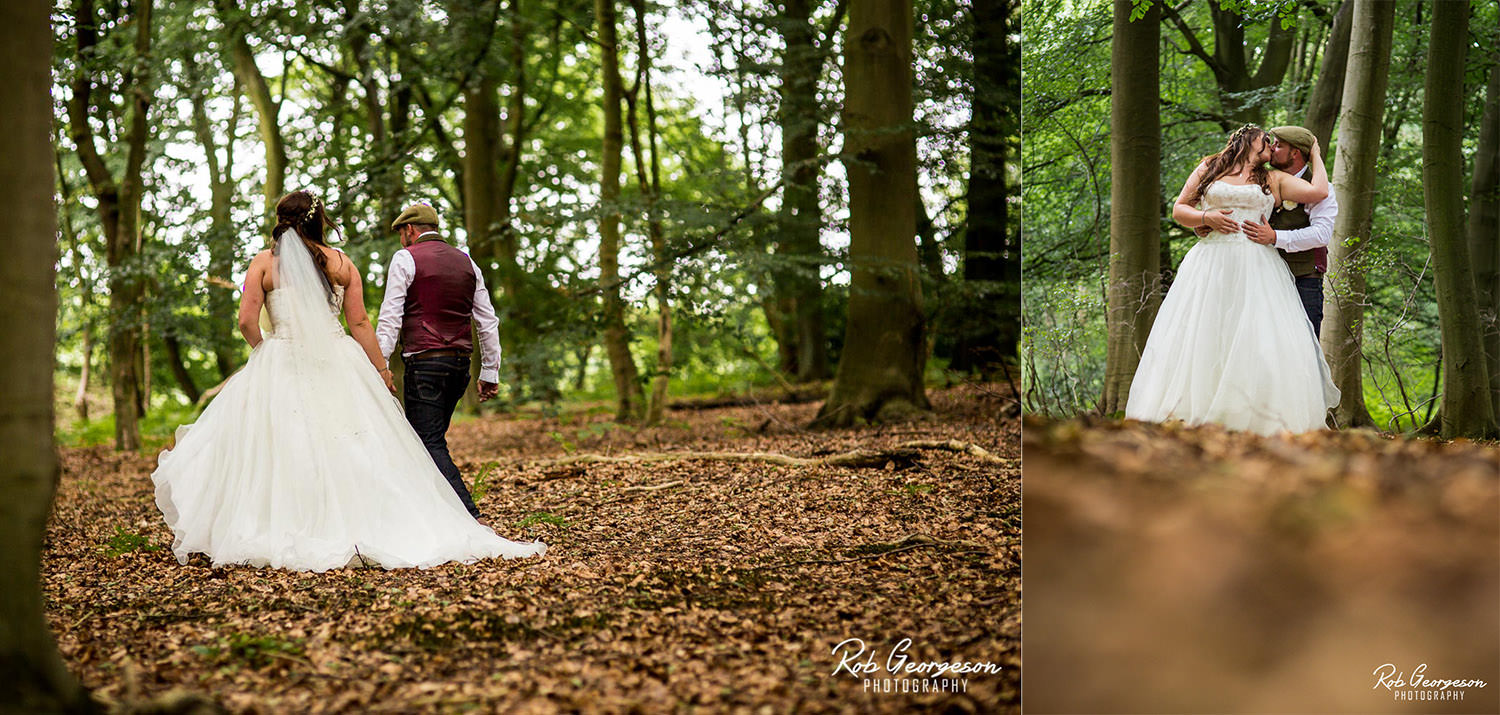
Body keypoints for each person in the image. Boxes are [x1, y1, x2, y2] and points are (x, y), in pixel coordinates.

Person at [150, 191, 546, 571]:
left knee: (281, 442)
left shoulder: (263, 263)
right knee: (354, 443)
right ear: (320, 221)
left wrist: (264, 350)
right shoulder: (342, 263)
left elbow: (245, 321)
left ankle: (282, 521)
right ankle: (368, 521)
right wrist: (381, 370)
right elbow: (359, 323)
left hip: (282, 356)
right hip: (338, 360)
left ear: (280, 222)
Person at [1125, 125, 1341, 435]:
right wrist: (1204, 219)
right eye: (1266, 141)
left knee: (1255, 339)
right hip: (1210, 263)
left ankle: (1251, 415)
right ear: (1248, 140)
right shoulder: (1210, 167)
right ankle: (1193, 410)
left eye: (1276, 143)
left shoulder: (1272, 179)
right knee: (1205, 333)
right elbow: (1179, 209)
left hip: (1257, 265)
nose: (1270, 145)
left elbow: (1320, 192)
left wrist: (1316, 153)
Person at [374, 203, 500, 520]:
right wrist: (489, 371)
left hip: (425, 365)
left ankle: (468, 516)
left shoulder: (406, 258)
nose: (402, 239)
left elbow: (390, 320)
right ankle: (429, 515)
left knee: (427, 443)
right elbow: (487, 321)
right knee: (427, 441)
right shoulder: (468, 262)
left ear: (410, 230)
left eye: (402, 232)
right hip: (460, 367)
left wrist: (377, 365)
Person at [1202, 125, 1339, 337]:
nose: (1271, 148)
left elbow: (1321, 234)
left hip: (1302, 277)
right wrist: (1209, 224)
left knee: (1304, 343)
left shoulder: (1320, 187)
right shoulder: (1259, 179)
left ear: (1294, 153)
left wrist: (1275, 237)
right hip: (1257, 273)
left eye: (1279, 145)